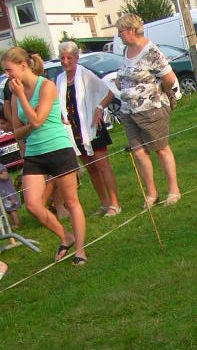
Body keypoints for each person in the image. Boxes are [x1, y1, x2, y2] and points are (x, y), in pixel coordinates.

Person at [1, 47, 87, 264]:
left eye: (9, 70)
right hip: (34, 153)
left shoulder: (46, 86)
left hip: (58, 148)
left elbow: (38, 121)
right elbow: (16, 131)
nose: (7, 76)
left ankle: (80, 250)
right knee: (32, 205)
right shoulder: (13, 94)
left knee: (71, 201)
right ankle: (65, 236)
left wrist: (23, 100)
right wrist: (29, 119)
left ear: (23, 66)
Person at [114, 13, 181, 207]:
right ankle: (152, 194)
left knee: (161, 149)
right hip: (128, 111)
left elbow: (169, 78)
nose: (119, 35)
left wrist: (159, 93)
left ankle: (173, 190)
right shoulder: (126, 50)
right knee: (139, 152)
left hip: (151, 110)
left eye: (121, 31)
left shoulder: (151, 51)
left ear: (132, 30)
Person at [56, 41, 121, 216]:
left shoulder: (86, 75)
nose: (66, 61)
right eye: (62, 58)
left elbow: (108, 93)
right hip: (75, 130)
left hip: (92, 126)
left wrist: (99, 108)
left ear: (76, 58)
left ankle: (115, 204)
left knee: (102, 166)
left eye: (70, 57)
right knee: (91, 169)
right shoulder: (60, 79)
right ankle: (104, 203)